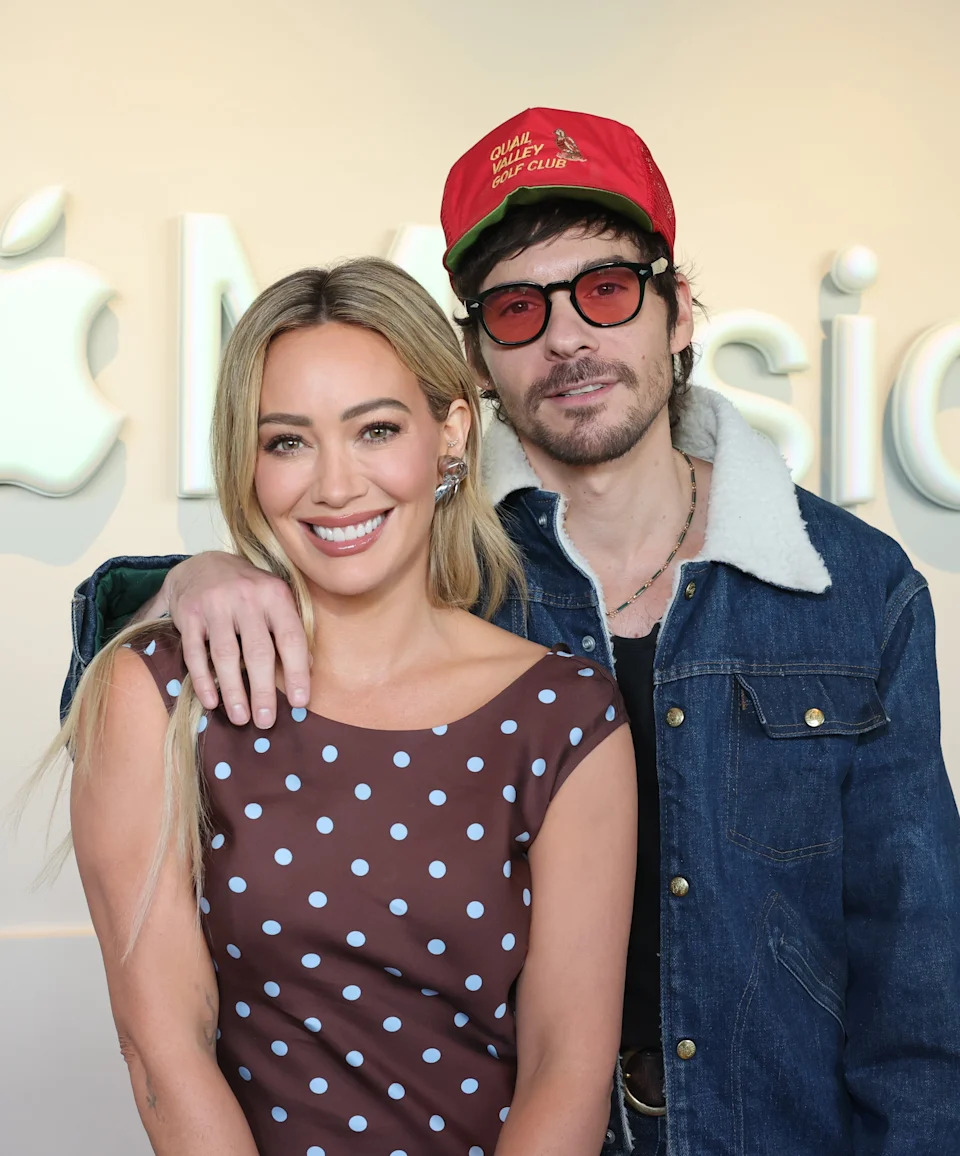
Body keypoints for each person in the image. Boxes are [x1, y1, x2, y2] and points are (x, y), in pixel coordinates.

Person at [63, 108, 960, 1155]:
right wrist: (195, 579)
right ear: (477, 363)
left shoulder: (853, 587)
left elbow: (919, 974)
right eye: (520, 309)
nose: (569, 338)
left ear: (678, 311)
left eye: (609, 290)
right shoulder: (447, 567)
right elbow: (212, 658)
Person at [52, 257, 637, 1155]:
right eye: (287, 441)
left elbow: (568, 1065)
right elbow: (162, 1052)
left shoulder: (566, 717)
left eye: (374, 430)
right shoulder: (162, 692)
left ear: (449, 432)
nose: (335, 485)